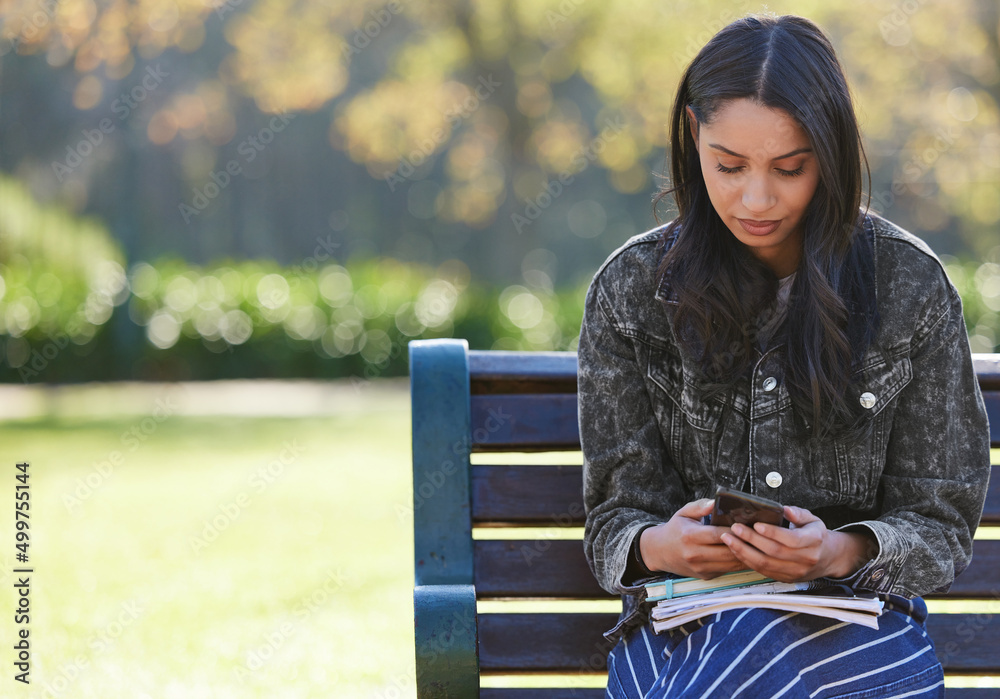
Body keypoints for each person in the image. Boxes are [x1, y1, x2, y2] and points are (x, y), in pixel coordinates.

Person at [577, 13, 991, 699]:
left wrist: (838, 550)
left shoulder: (909, 286)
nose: (758, 198)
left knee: (758, 658)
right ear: (692, 135)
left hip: (858, 631)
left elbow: (939, 522)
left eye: (790, 168)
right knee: (737, 652)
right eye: (729, 166)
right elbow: (616, 518)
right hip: (684, 631)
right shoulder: (631, 291)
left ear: (829, 154)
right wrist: (663, 546)